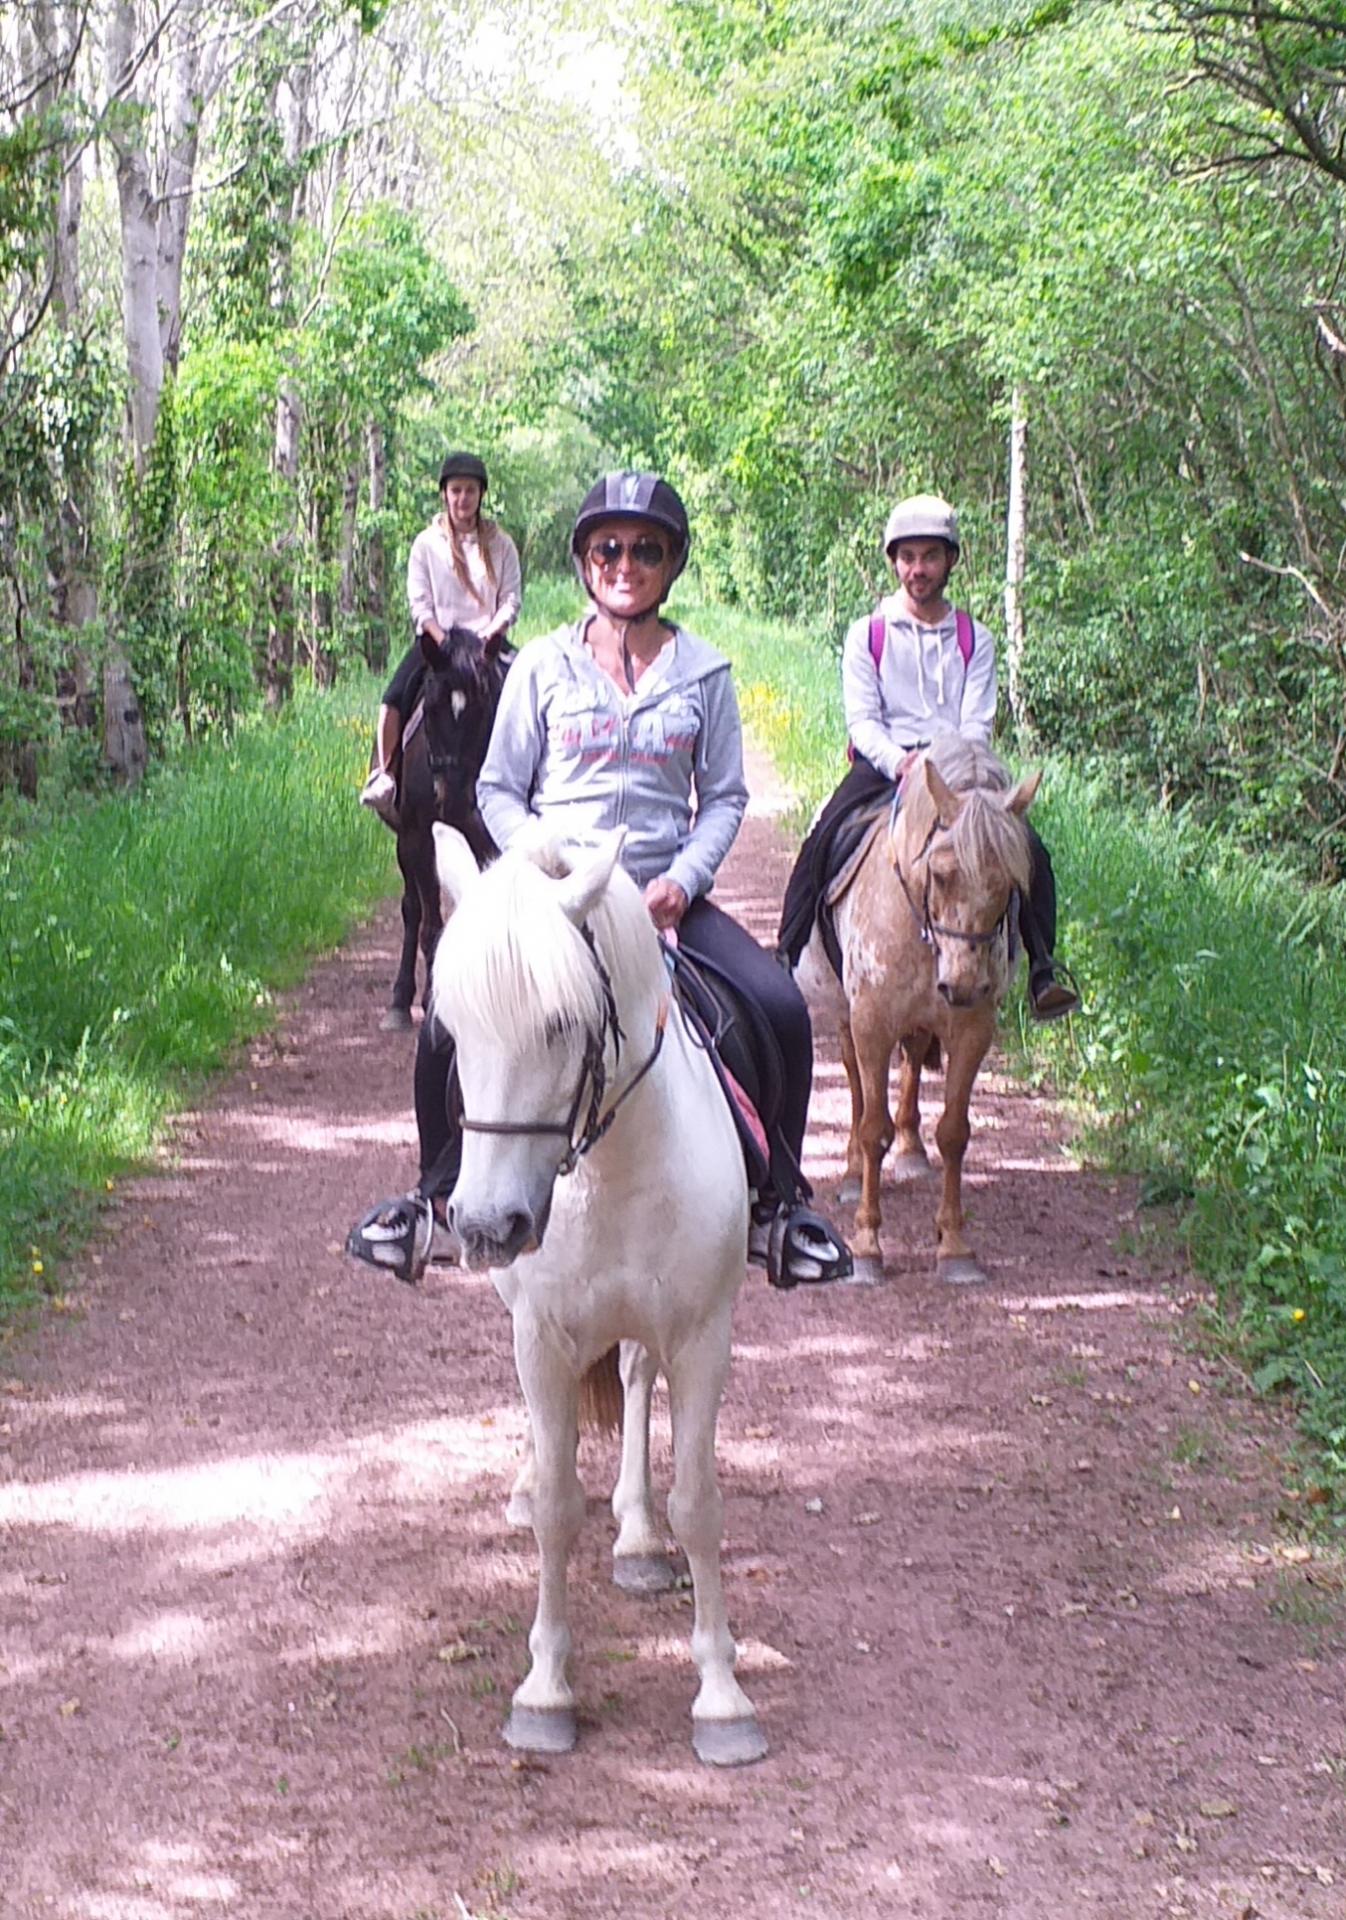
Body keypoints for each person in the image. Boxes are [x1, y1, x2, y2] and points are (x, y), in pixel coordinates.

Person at [347, 470, 852, 1290]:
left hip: (658, 896)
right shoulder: (542, 666)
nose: (626, 563)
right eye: (609, 548)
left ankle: (778, 1209)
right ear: (585, 561)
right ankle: (434, 1202)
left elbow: (723, 796)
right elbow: (498, 791)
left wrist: (684, 884)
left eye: (646, 550)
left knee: (779, 1007)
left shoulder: (707, 674)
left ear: (670, 564)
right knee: (447, 1014)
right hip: (552, 894)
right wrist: (538, 866)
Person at [776, 493, 1081, 1021]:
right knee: (823, 836)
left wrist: (946, 768)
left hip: (960, 775)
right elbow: (863, 721)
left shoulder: (974, 639)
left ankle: (1043, 970)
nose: (918, 569)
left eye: (930, 557)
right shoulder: (866, 635)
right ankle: (787, 955)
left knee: (1030, 850)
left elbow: (977, 722)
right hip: (884, 767)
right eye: (908, 557)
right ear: (894, 561)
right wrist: (902, 764)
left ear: (950, 562)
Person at [360, 451, 522, 822]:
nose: (462, 499)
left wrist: (491, 633)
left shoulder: (502, 544)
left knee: (532, 694)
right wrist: (441, 640)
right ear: (444, 495)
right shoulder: (426, 545)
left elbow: (511, 598)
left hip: (486, 644)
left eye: (469, 490)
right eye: (455, 491)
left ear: (481, 495)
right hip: (441, 642)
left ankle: (539, 782)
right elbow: (420, 604)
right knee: (394, 698)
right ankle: (386, 775)